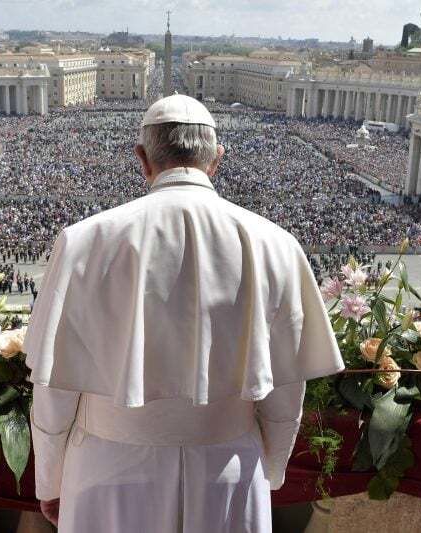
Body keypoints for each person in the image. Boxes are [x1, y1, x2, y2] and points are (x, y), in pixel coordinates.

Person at [24, 95, 344, 533]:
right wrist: (269, 470)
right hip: (227, 467)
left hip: (108, 467)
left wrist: (50, 480)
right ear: (217, 160)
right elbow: (285, 391)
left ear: (142, 158)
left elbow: (54, 388)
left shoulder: (84, 241)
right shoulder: (277, 244)